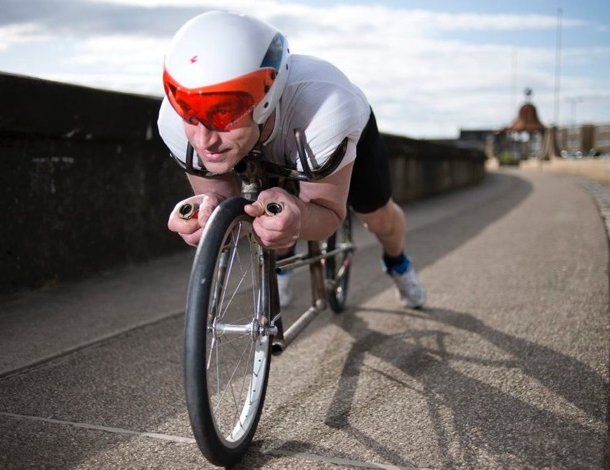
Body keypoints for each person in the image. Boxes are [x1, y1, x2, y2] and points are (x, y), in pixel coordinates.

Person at [158, 11, 426, 309]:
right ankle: (281, 263)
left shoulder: (327, 109)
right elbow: (223, 200)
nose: (203, 140)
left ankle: (398, 263)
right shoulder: (173, 125)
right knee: (273, 212)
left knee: (377, 217)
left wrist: (302, 215)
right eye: (189, 115)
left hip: (323, 131)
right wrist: (208, 215)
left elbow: (327, 214)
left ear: (265, 101)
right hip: (273, 135)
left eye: (223, 114)